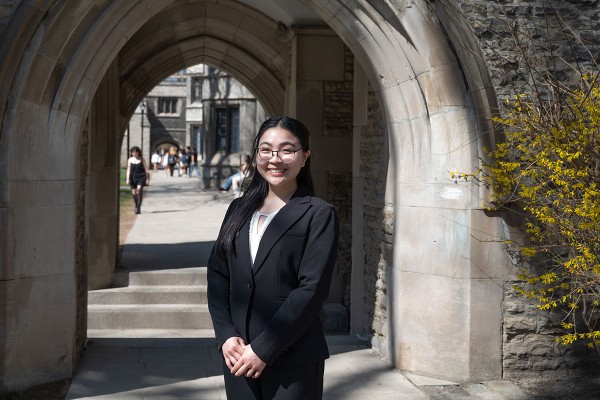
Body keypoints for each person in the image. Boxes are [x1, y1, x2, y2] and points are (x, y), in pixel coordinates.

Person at [207, 116, 340, 399]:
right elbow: (218, 274)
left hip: (293, 358)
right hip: (237, 356)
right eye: (265, 149)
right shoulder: (238, 208)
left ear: (305, 157)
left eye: (287, 150)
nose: (275, 159)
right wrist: (226, 335)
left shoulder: (319, 214)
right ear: (256, 154)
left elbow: (311, 290)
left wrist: (264, 348)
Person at [125, 146, 149, 214]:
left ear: (138, 152)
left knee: (139, 190)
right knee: (134, 193)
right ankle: (136, 205)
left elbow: (146, 170)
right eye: (133, 152)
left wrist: (147, 179)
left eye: (135, 152)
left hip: (141, 177)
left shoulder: (142, 159)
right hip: (132, 177)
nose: (134, 153)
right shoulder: (130, 160)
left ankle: (138, 208)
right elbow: (128, 169)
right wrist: (127, 178)